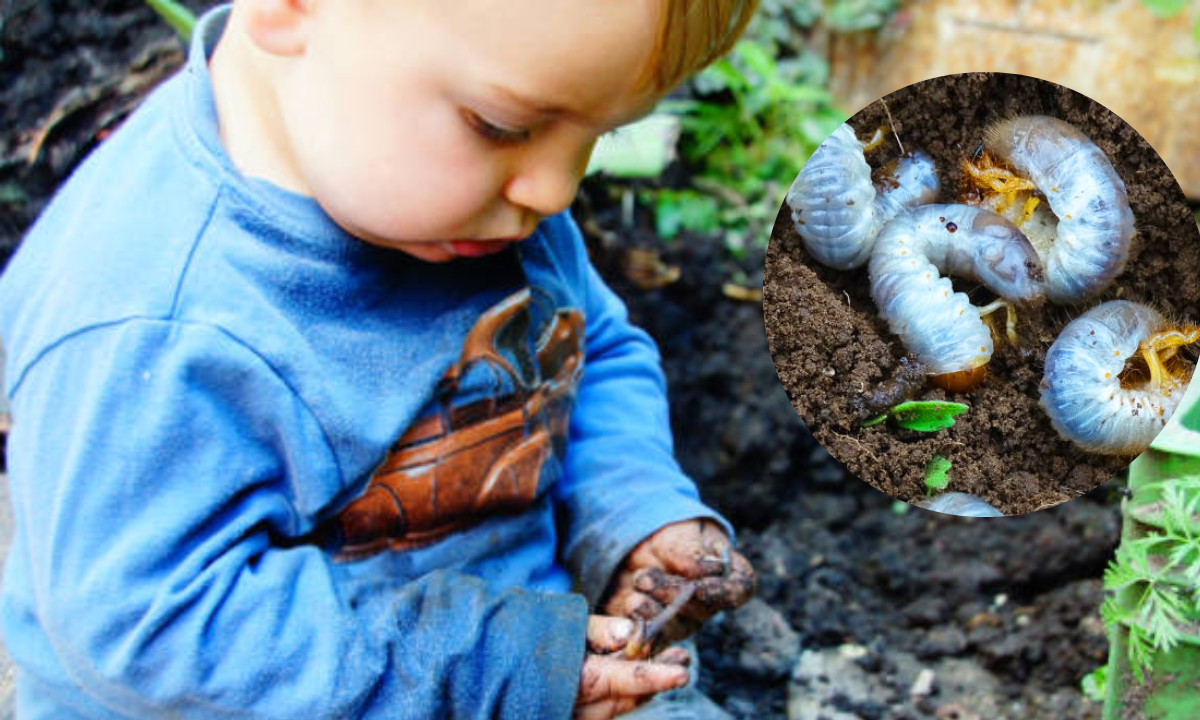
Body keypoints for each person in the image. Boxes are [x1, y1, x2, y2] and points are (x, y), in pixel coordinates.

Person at [0, 1, 758, 718]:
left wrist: (635, 512)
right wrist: (492, 674)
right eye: (501, 125)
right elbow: (150, 623)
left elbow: (589, 348)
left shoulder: (465, 201)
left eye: (601, 137)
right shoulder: (156, 323)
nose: (555, 191)